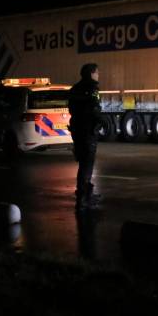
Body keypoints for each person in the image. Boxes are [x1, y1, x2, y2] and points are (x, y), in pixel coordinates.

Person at [69, 63, 103, 212]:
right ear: (91, 74)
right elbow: (95, 108)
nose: (98, 75)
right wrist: (100, 122)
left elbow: (72, 109)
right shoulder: (93, 88)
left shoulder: (75, 89)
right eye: (97, 72)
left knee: (83, 162)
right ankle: (84, 198)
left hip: (77, 130)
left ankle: (84, 194)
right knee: (87, 164)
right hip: (88, 130)